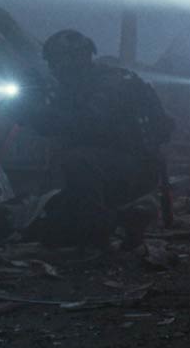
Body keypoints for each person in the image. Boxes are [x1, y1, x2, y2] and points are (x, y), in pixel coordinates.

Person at [16, 29, 174, 248]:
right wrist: (29, 111)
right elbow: (54, 125)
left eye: (56, 62)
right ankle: (128, 218)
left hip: (135, 167)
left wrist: (39, 112)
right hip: (110, 168)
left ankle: (97, 238)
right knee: (51, 230)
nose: (54, 70)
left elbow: (85, 123)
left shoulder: (110, 84)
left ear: (73, 60)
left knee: (78, 161)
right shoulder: (79, 88)